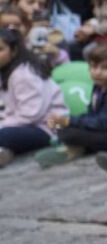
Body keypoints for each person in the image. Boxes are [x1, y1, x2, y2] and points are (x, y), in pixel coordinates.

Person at [32, 41, 107, 165]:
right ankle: (74, 146)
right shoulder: (100, 85)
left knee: (70, 134)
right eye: (94, 67)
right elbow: (92, 115)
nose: (98, 72)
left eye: (105, 68)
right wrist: (68, 122)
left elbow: (102, 123)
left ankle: (73, 147)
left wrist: (69, 121)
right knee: (63, 127)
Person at [0, 27, 62, 166]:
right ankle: (4, 153)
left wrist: (2, 124)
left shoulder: (23, 75)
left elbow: (30, 115)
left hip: (49, 127)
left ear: (14, 51)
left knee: (3, 135)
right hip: (27, 125)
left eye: (0, 49)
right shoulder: (5, 71)